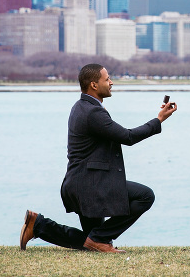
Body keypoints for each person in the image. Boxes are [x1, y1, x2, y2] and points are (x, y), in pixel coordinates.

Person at [20, 63, 177, 253]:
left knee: (91, 243)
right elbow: (128, 137)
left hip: (79, 183)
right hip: (89, 186)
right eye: (107, 79)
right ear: (94, 85)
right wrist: (158, 120)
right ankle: (97, 238)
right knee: (145, 196)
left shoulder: (81, 106)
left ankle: (37, 225)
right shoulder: (93, 112)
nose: (111, 83)